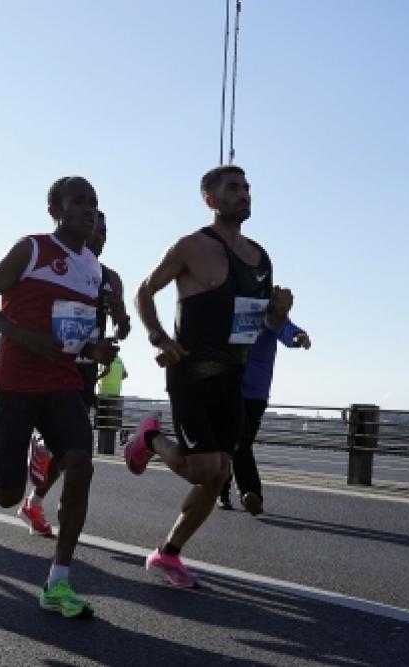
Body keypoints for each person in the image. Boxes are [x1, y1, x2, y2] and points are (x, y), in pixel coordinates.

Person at [0, 176, 112, 618]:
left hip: (62, 383)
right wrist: (22, 335)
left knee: (80, 462)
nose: (89, 210)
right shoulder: (31, 250)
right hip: (15, 382)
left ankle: (59, 581)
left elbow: (78, 333)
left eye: (93, 203)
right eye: (79, 202)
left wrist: (94, 348)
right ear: (56, 209)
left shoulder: (93, 268)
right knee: (4, 492)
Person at [124, 164, 293, 589]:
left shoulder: (260, 257)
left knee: (220, 473)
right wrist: (159, 337)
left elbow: (259, 323)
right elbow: (144, 290)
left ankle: (168, 553)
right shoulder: (191, 247)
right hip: (192, 374)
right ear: (210, 199)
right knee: (203, 471)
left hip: (233, 378)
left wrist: (279, 314)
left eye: (247, 187)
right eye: (233, 188)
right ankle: (149, 439)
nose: (244, 194)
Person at [20, 208, 130, 538]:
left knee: (75, 450)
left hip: (86, 370)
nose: (101, 236)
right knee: (72, 446)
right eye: (97, 229)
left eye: (106, 232)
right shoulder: (60, 266)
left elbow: (122, 324)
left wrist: (121, 323)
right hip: (54, 363)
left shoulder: (111, 278)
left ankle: (34, 502)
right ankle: (40, 449)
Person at [218, 320, 310, 513]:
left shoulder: (269, 312)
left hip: (258, 393)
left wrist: (297, 337)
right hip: (231, 387)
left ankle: (221, 489)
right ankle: (250, 494)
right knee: (240, 443)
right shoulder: (237, 307)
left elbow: (284, 327)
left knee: (239, 444)